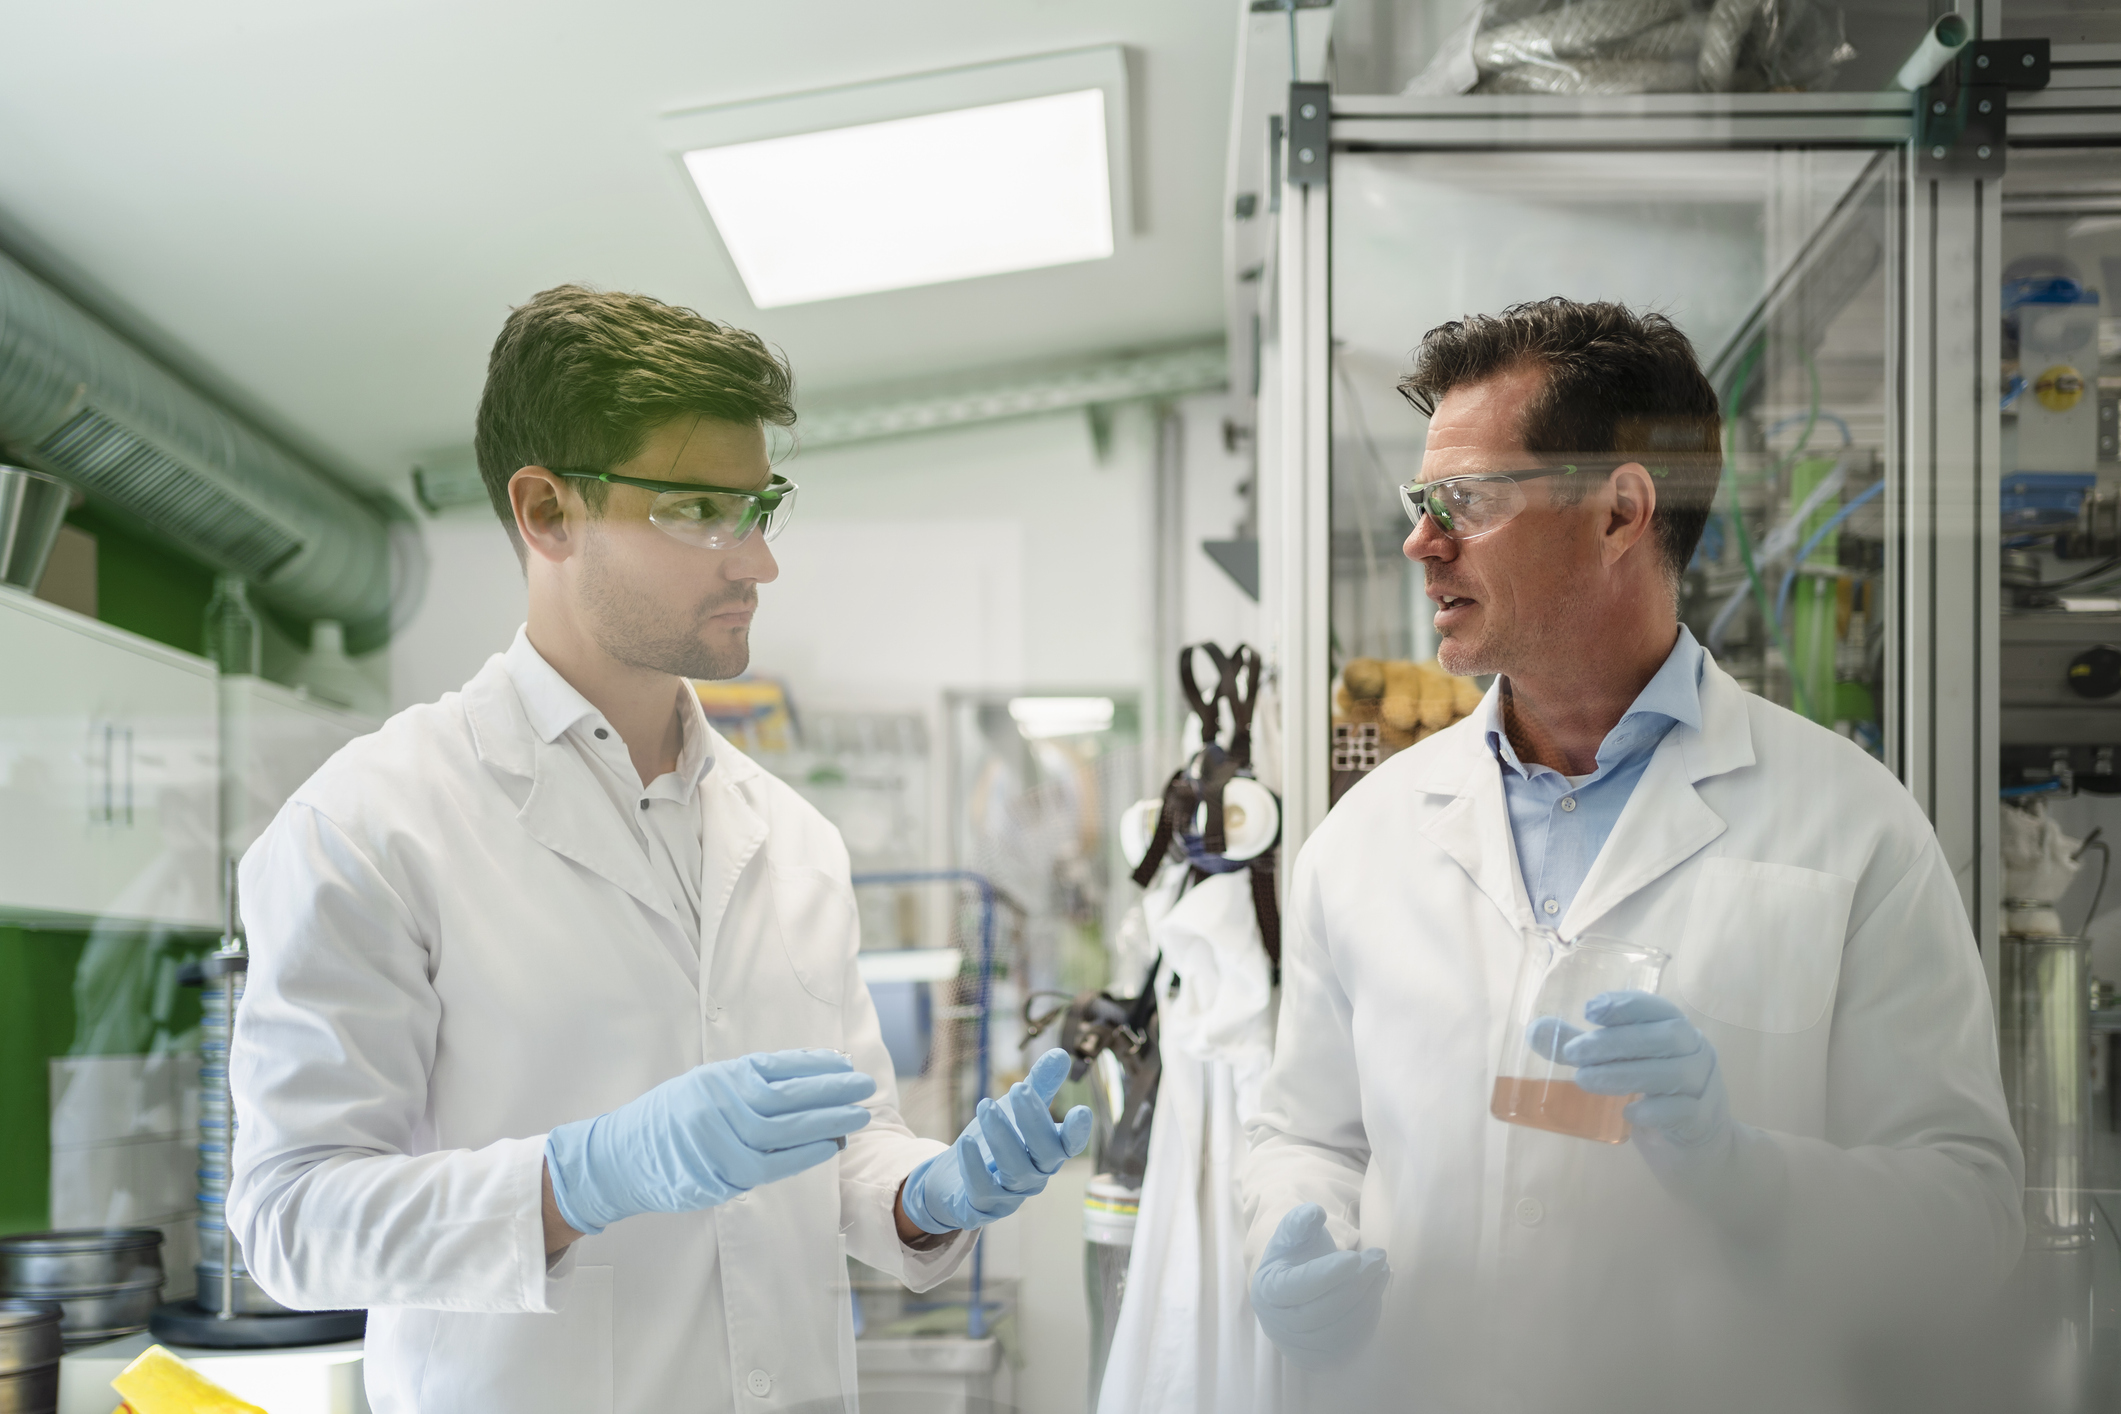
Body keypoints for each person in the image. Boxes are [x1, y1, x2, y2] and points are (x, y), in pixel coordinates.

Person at [228, 285, 1091, 1413]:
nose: (757, 563)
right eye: (696, 510)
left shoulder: (795, 841)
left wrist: (932, 1190)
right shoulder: (371, 824)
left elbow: (841, 1148)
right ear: (546, 512)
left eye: (760, 505)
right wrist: (581, 1177)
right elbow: (291, 1220)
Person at [1240, 299, 2023, 1411]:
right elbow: (1304, 1138)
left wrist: (1749, 1174)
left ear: (1620, 509)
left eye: (1463, 499)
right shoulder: (1364, 840)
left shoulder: (1851, 829)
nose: (1422, 539)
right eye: (1421, 502)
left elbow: (1972, 1219)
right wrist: (1283, 1242)